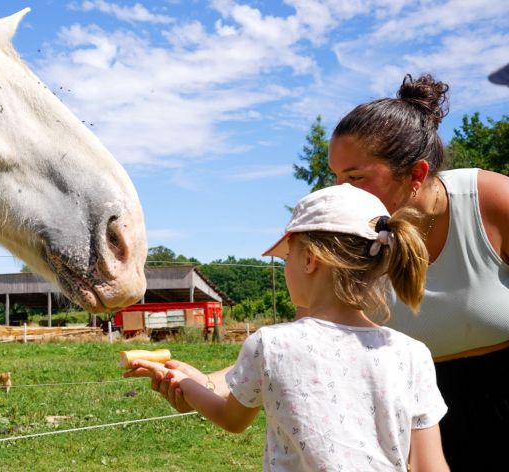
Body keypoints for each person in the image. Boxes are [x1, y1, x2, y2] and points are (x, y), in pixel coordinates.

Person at [127, 184, 449, 471]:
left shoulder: (271, 345)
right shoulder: (412, 354)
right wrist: (194, 381)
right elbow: (429, 466)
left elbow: (232, 417)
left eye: (286, 258)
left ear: (309, 259)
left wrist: (184, 382)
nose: (285, 267)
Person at [327, 74, 509, 471]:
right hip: (416, 430)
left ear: (416, 173)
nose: (340, 192)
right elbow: (309, 334)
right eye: (336, 178)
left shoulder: (493, 201)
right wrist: (204, 382)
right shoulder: (351, 235)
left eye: (355, 177)